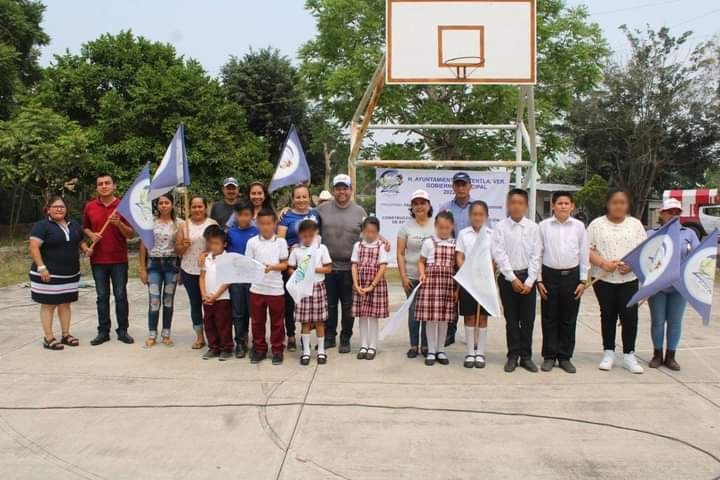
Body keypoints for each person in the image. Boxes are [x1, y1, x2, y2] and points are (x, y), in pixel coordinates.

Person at [587, 189, 647, 374]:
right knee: (608, 315)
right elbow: (587, 249)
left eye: (622, 202)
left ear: (627, 205)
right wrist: (603, 263)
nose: (618, 206)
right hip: (603, 279)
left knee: (629, 316)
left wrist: (632, 265)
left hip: (628, 278)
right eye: (615, 202)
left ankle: (629, 354)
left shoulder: (635, 225)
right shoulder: (597, 225)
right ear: (608, 204)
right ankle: (608, 352)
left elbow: (644, 250)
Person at [536, 191, 590, 374]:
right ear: (553, 205)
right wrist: (539, 280)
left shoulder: (579, 227)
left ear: (572, 206)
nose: (563, 206)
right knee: (549, 318)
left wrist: (583, 280)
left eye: (567, 203)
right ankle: (549, 357)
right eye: (559, 203)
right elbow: (538, 253)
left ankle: (565, 357)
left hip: (572, 277)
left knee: (568, 319)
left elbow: (584, 254)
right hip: (549, 277)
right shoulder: (543, 226)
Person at [29, 196, 91, 350]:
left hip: (70, 274)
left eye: (62, 206)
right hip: (48, 274)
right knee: (49, 305)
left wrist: (86, 249)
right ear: (48, 209)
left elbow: (79, 241)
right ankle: (48, 338)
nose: (59, 209)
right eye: (55, 206)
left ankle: (66, 334)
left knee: (65, 304)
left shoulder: (74, 225)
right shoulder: (42, 226)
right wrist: (42, 267)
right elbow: (34, 247)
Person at [491, 188, 541, 373]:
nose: (516, 206)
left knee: (527, 320)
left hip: (528, 278)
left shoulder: (534, 228)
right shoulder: (500, 227)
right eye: (513, 202)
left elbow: (537, 255)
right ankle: (512, 355)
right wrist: (511, 277)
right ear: (508, 205)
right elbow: (499, 253)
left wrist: (530, 281)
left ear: (526, 206)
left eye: (520, 203)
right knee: (511, 320)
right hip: (507, 279)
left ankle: (526, 356)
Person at [83, 173, 135, 346]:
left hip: (119, 259)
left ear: (114, 185)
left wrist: (118, 223)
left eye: (107, 183)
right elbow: (85, 228)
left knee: (120, 295)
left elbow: (130, 234)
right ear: (97, 187)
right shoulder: (90, 206)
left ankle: (123, 330)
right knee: (102, 296)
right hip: (98, 260)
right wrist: (92, 234)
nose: (104, 186)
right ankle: (103, 331)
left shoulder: (122, 206)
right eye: (100, 183)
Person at [317, 174, 367, 353]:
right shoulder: (321, 210)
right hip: (328, 268)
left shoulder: (360, 212)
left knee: (348, 306)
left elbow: (367, 236)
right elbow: (307, 221)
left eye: (345, 188)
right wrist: (284, 209)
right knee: (328, 305)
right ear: (333, 190)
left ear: (351, 190)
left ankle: (345, 337)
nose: (341, 191)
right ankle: (330, 336)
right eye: (338, 188)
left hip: (350, 268)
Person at [647, 198, 699, 371]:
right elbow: (644, 258)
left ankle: (671, 356)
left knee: (675, 322)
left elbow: (698, 258)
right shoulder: (651, 233)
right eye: (670, 212)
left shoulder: (689, 234)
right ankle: (657, 354)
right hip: (658, 286)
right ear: (662, 213)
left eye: (677, 212)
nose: (674, 215)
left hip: (679, 286)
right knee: (658, 321)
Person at [277, 184, 322, 352]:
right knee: (291, 302)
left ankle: (309, 337)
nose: (301, 200)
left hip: (312, 266)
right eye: (298, 197)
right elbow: (280, 241)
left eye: (304, 196)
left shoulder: (315, 214)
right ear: (293, 199)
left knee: (310, 301)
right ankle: (290, 336)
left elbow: (320, 239)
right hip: (293, 266)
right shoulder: (286, 216)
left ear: (309, 197)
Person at [246, 208, 289, 365]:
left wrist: (272, 267)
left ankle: (277, 350)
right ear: (257, 224)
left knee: (277, 322)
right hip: (257, 288)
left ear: (275, 224)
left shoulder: (281, 242)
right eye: (262, 223)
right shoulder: (252, 242)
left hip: (276, 289)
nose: (265, 227)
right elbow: (248, 264)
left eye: (269, 223)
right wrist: (258, 267)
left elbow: (285, 264)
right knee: (257, 321)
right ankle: (259, 349)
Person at [139, 193, 181, 348]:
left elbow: (181, 248)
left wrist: (180, 271)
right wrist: (142, 268)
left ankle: (166, 333)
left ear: (172, 205)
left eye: (167, 202)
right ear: (157, 205)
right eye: (161, 202)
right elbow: (143, 245)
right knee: (154, 300)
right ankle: (152, 334)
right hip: (154, 265)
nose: (163, 205)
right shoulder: (150, 222)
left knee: (168, 301)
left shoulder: (179, 224)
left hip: (171, 265)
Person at [288, 219, 332, 366]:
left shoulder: (321, 248)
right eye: (304, 235)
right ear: (300, 235)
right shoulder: (296, 250)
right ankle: (306, 351)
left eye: (310, 235)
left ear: (316, 234)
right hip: (303, 289)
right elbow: (290, 268)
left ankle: (321, 351)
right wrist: (297, 275)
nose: (308, 238)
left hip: (318, 286)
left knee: (320, 321)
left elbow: (328, 268)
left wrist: (313, 269)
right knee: (305, 322)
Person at [415, 211, 457, 366]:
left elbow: (457, 267)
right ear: (435, 226)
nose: (443, 231)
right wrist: (421, 273)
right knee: (431, 320)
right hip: (431, 284)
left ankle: (441, 350)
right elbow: (421, 261)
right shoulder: (429, 242)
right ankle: (431, 350)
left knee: (444, 320)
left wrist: (456, 289)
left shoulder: (455, 244)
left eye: (446, 228)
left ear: (452, 226)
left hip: (447, 285)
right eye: (440, 228)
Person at [397, 189, 434, 358]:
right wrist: (403, 276)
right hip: (411, 276)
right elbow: (400, 253)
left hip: (431, 278)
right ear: (411, 208)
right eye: (415, 204)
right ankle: (413, 345)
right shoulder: (405, 227)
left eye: (422, 203)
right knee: (413, 311)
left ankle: (426, 345)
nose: (419, 206)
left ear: (429, 205)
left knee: (427, 312)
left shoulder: (436, 224)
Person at [439, 171, 475, 346]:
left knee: (472, 298)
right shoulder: (445, 207)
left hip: (471, 260)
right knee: (450, 298)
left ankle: (474, 333)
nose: (461, 187)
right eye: (458, 184)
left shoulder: (476, 208)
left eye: (464, 184)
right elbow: (439, 231)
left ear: (470, 186)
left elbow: (485, 233)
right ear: (453, 187)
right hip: (450, 259)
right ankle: (449, 332)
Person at [177, 195, 218, 349]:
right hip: (189, 270)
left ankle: (214, 335)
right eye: (194, 206)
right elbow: (178, 250)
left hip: (208, 271)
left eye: (200, 206)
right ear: (190, 208)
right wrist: (184, 245)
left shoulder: (212, 224)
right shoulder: (184, 226)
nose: (197, 209)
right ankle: (200, 337)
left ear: (205, 207)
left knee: (209, 303)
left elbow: (218, 245)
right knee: (195, 305)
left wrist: (207, 253)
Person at [455, 200, 493, 369]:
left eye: (481, 214)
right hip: (467, 281)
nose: (477, 217)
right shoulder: (463, 234)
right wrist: (468, 272)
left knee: (482, 317)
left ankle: (480, 353)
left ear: (486, 216)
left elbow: (493, 259)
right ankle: (470, 352)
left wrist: (485, 275)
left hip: (484, 282)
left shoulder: (491, 234)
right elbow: (459, 256)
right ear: (470, 216)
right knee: (470, 316)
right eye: (474, 214)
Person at [351, 217, 389, 360]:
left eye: (373, 232)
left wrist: (372, 285)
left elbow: (383, 267)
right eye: (367, 231)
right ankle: (363, 345)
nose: (370, 235)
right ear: (363, 231)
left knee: (373, 316)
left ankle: (372, 346)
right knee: (362, 316)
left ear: (378, 232)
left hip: (375, 285)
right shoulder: (358, 246)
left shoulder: (381, 246)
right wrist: (356, 283)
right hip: (360, 284)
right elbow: (354, 265)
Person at [226, 200, 259, 358]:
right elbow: (222, 251)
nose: (243, 218)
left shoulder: (258, 232)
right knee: (238, 313)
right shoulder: (230, 233)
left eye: (247, 215)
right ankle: (240, 342)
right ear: (235, 216)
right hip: (236, 278)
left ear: (252, 216)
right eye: (240, 215)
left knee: (254, 313)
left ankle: (256, 343)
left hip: (253, 279)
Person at [199, 225, 233, 361]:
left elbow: (228, 280)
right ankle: (213, 347)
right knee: (209, 323)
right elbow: (201, 277)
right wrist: (203, 294)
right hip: (207, 298)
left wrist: (216, 295)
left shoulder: (227, 259)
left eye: (216, 243)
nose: (213, 246)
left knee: (223, 323)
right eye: (210, 243)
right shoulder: (206, 259)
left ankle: (226, 348)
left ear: (224, 244)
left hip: (222, 298)